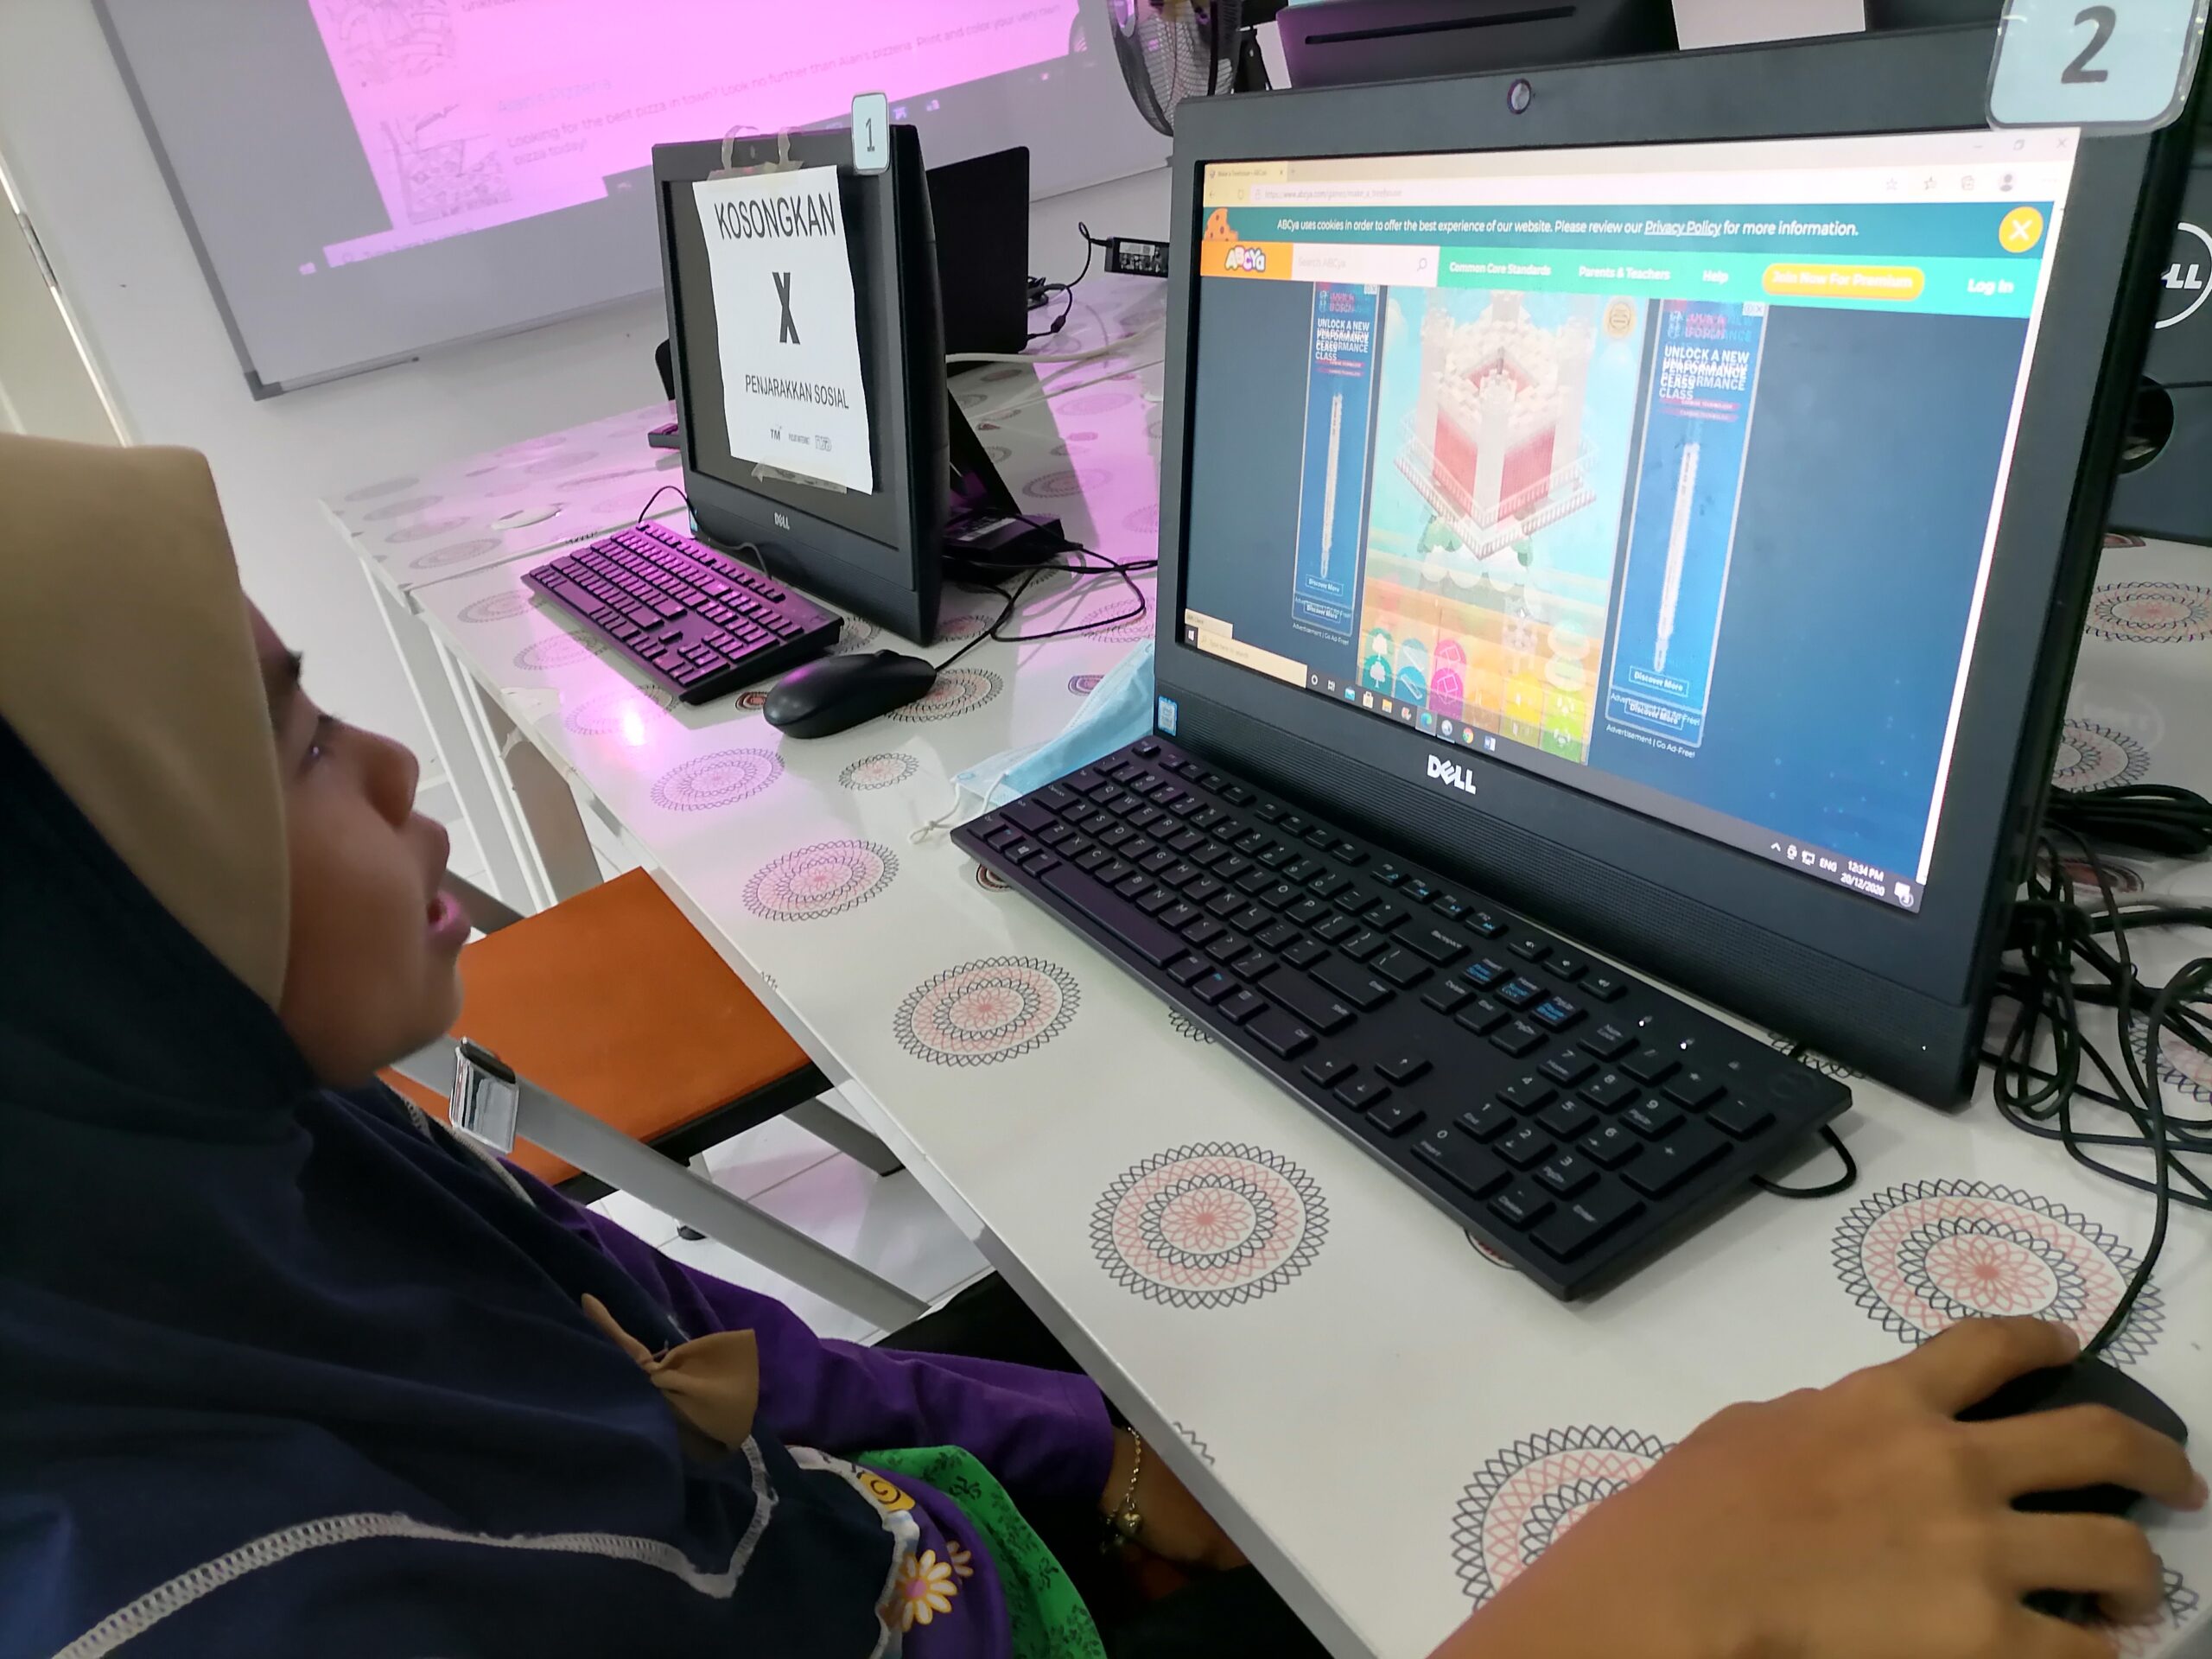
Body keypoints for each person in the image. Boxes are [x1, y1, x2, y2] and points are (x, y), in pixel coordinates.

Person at [0, 432, 2197, 1659]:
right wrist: (1641, 1603)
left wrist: (1103, 1465)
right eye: (285, 742)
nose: (395, 773)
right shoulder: (237, 1610)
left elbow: (713, 1362)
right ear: (68, 957)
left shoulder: (269, 1180)